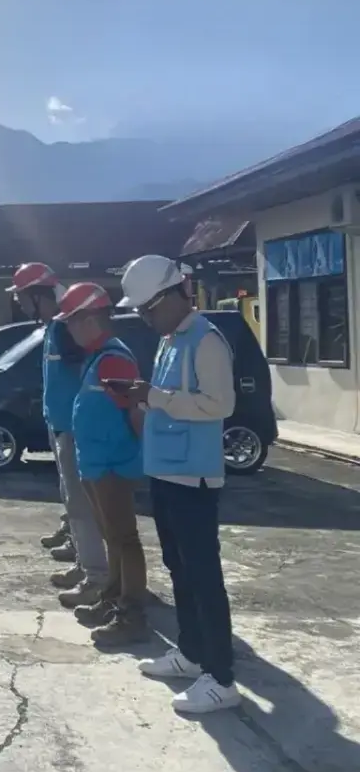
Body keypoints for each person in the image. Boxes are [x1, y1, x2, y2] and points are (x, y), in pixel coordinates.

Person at [119, 254, 241, 714]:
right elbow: (168, 399)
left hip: (194, 475)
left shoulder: (206, 340)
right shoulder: (170, 341)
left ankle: (221, 677)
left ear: (170, 297)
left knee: (203, 575)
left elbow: (220, 404)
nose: (144, 318)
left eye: (147, 309)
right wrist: (145, 398)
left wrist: (155, 396)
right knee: (179, 568)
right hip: (166, 470)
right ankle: (191, 654)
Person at [7, 263, 110, 599]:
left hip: (75, 429)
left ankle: (96, 576)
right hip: (61, 425)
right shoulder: (55, 326)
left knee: (81, 504)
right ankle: (84, 561)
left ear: (38, 295)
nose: (20, 304)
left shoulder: (68, 328)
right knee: (72, 499)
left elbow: (87, 375)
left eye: (23, 298)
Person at [56, 283, 149, 645]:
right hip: (97, 463)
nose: (69, 330)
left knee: (124, 538)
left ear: (90, 320)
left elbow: (134, 411)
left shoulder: (113, 358)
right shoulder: (97, 357)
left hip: (113, 464)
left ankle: (132, 614)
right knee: (113, 536)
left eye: (72, 322)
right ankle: (112, 599)